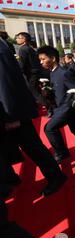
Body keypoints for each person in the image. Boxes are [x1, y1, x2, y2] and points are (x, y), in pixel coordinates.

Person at [0, 38, 67, 197]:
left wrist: (10, 115)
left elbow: (4, 82)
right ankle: (9, 178)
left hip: (11, 112)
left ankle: (56, 177)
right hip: (10, 110)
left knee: (33, 147)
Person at [38, 46, 75, 164]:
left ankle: (61, 152)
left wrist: (71, 106)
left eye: (43, 59)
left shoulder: (64, 73)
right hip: (60, 108)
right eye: (40, 59)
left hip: (66, 108)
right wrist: (47, 92)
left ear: (53, 58)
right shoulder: (52, 73)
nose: (41, 62)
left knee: (49, 128)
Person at [15, 32, 43, 101]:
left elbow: (22, 64)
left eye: (18, 38)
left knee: (34, 92)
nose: (16, 39)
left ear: (24, 39)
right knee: (37, 91)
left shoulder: (22, 49)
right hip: (36, 73)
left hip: (31, 74)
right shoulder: (29, 48)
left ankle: (48, 107)